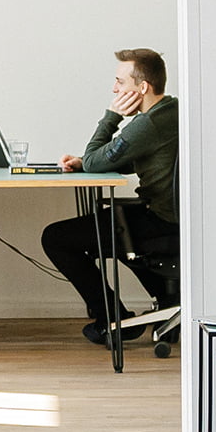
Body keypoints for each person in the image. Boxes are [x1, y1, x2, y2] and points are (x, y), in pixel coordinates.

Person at [41, 48, 179, 345]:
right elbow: (133, 158)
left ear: (142, 88)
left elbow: (95, 161)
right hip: (170, 218)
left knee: (55, 238)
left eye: (119, 82)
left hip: (161, 222)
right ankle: (170, 305)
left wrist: (112, 117)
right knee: (105, 230)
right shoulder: (169, 112)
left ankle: (114, 320)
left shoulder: (149, 123)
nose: (114, 89)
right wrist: (84, 160)